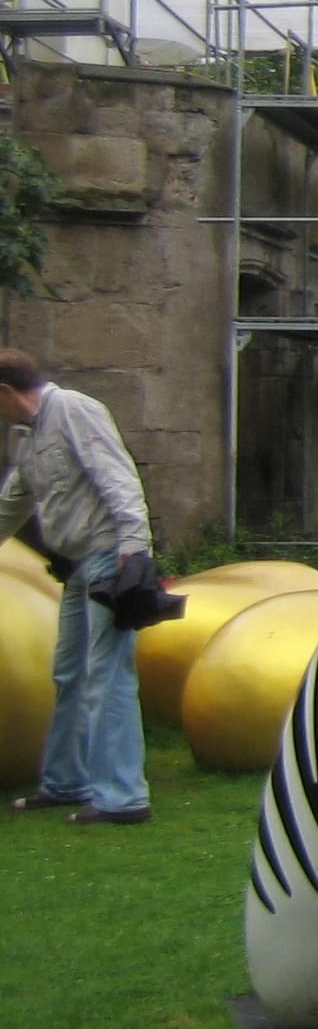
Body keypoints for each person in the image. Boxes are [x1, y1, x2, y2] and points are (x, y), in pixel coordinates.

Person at [0, 350, 160, 824]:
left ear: (6, 392)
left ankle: (124, 798)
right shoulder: (27, 435)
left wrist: (135, 547)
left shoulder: (73, 408)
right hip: (76, 567)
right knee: (69, 673)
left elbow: (117, 477)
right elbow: (12, 503)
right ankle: (66, 782)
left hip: (111, 558)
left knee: (107, 675)